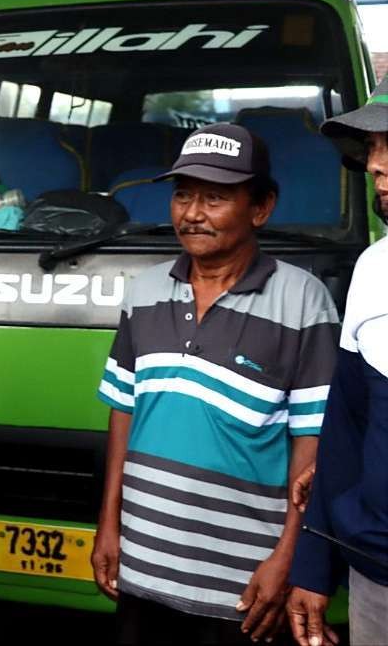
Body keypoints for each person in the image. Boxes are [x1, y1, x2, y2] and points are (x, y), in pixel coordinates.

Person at [90, 123, 340, 644]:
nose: (192, 214)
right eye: (182, 195)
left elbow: (311, 444)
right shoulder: (145, 291)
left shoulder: (304, 301)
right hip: (144, 565)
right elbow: (123, 415)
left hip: (243, 583)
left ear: (262, 206)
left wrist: (290, 556)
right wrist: (108, 524)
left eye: (215, 198)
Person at [286, 77, 388, 646]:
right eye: (373, 148)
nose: (376, 166)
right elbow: (346, 427)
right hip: (376, 581)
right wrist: (314, 566)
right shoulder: (373, 271)